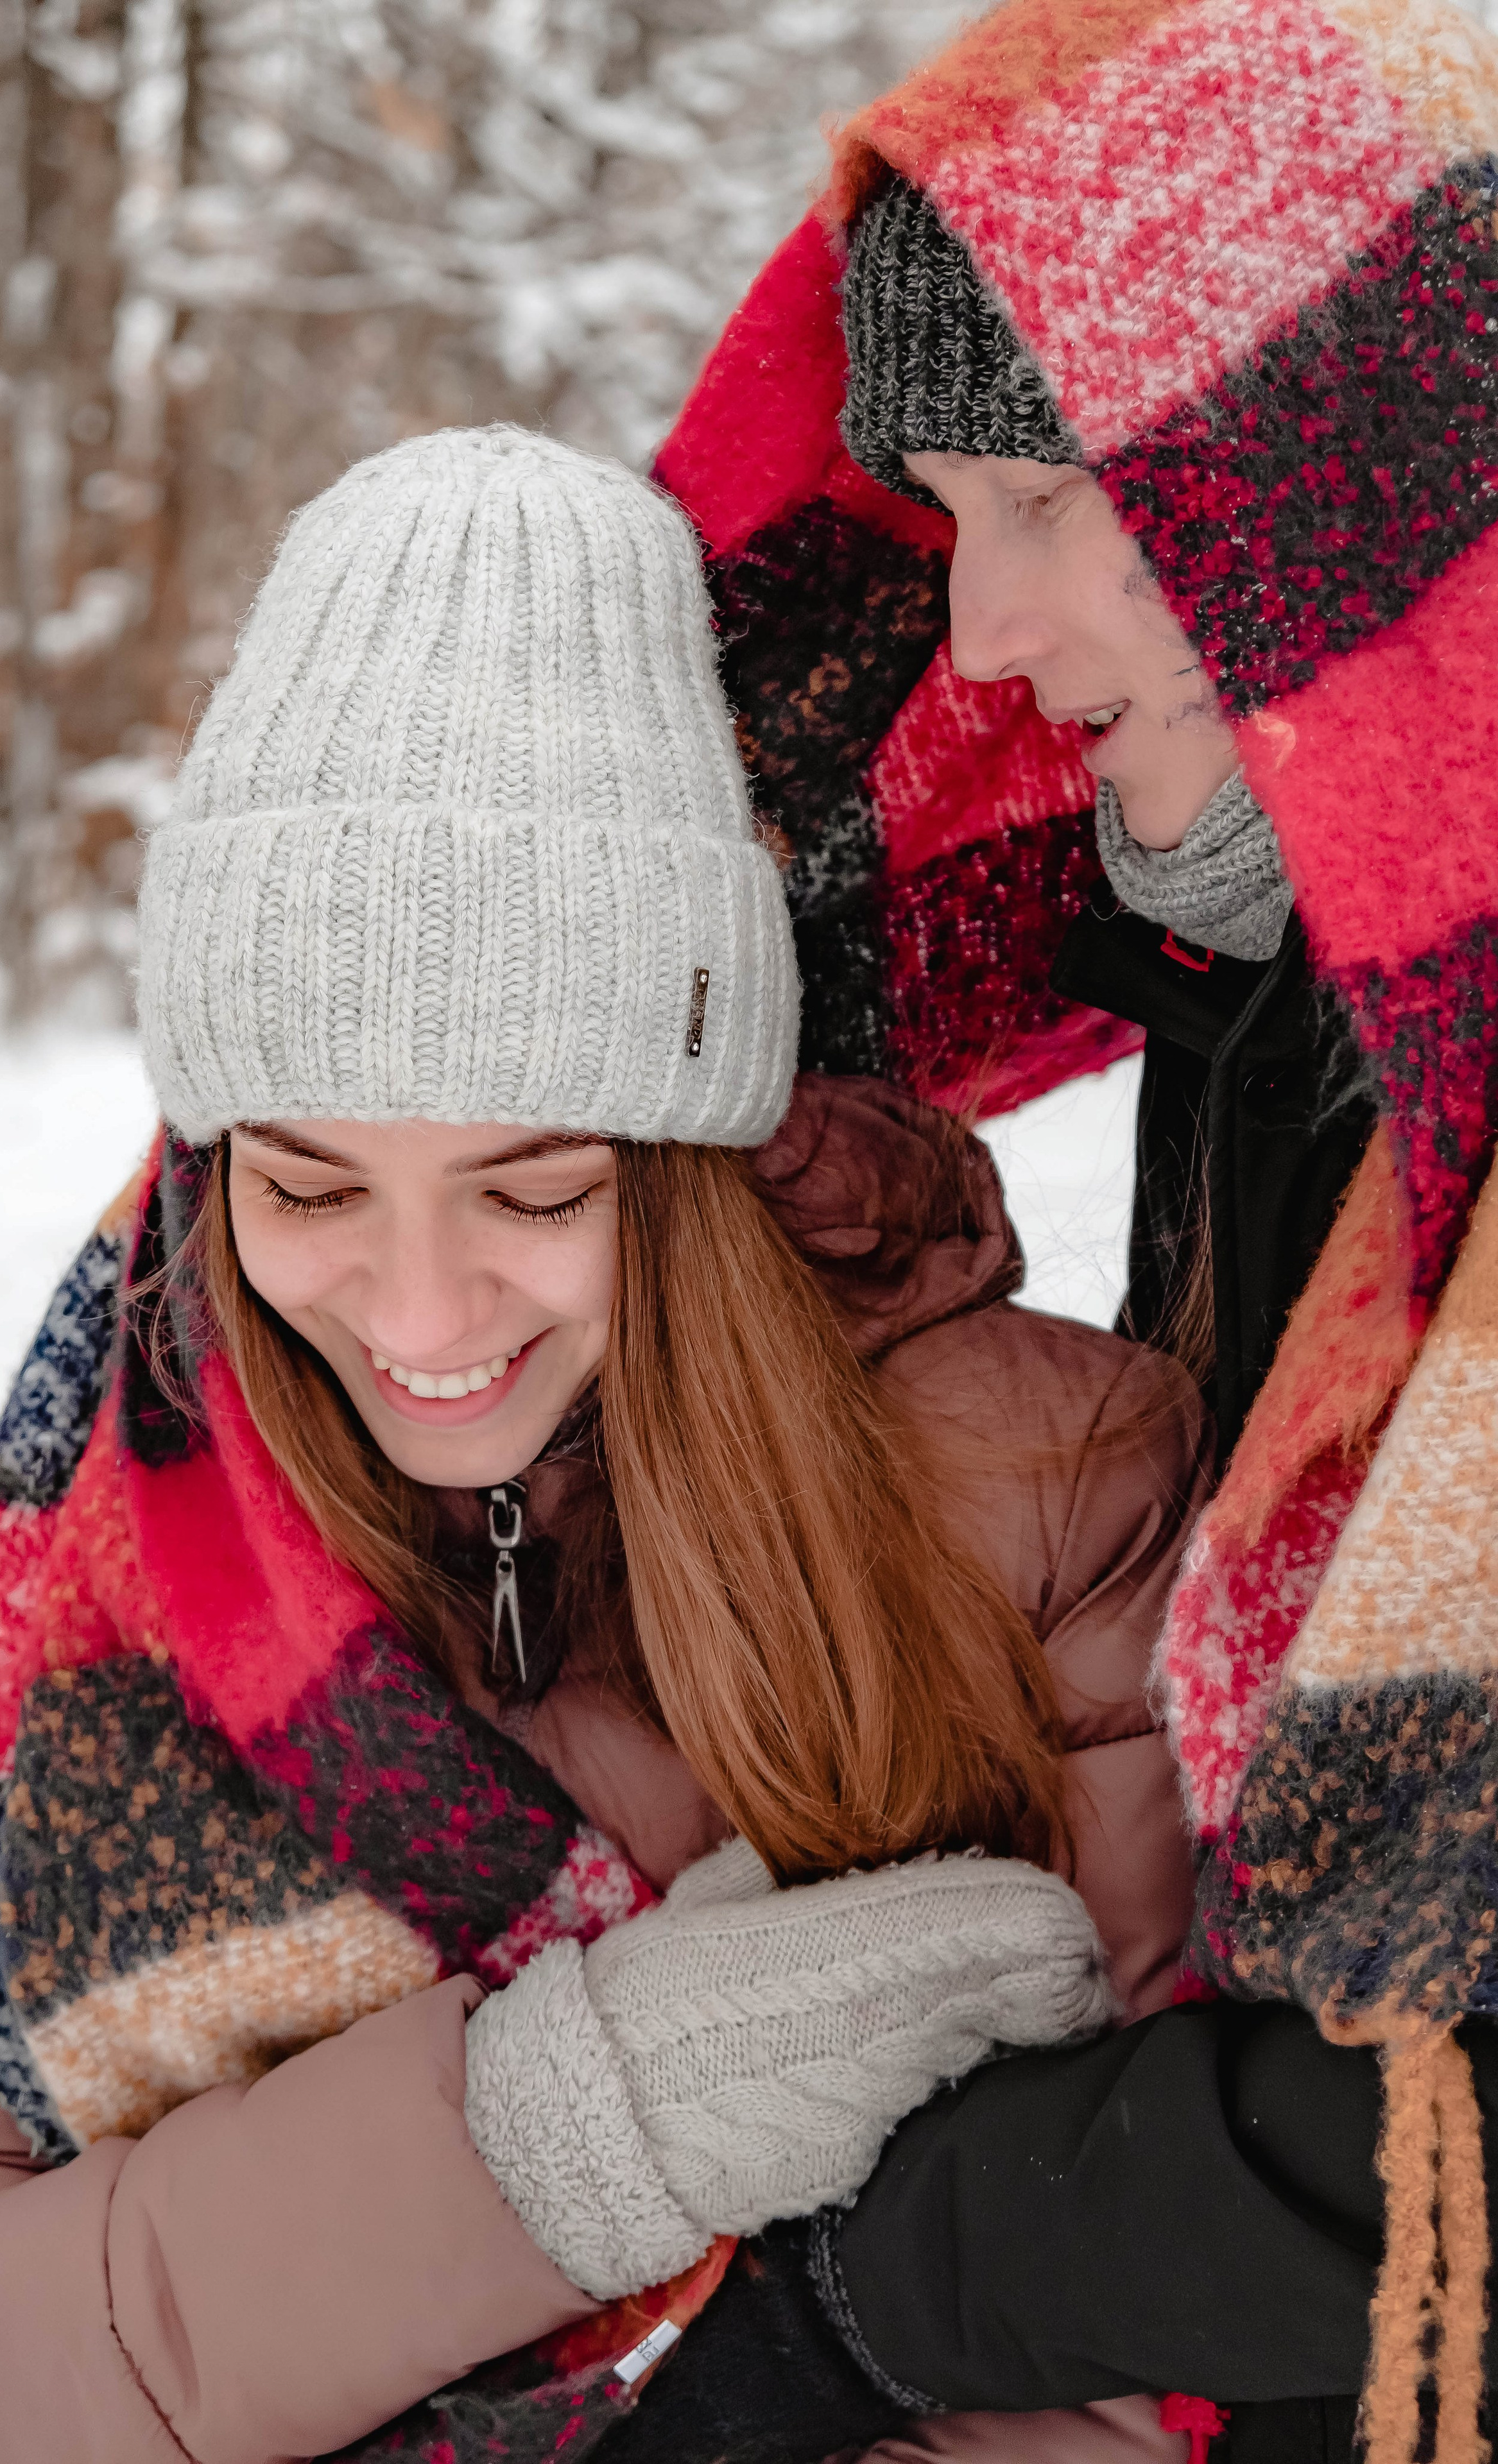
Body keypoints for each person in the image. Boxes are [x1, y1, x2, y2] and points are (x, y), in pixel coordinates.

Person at [0, 427, 1208, 2464]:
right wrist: (546, 2148)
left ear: (684, 1166)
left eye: (532, 1192)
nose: (417, 1318)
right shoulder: (84, 1549)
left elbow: (1139, 2357)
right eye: (314, 1193)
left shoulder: (1044, 1494)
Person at [621, 0, 1498, 2456]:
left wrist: (910, 2265)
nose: (978, 635)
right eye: (941, 509)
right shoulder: (1299, 971)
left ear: (1327, 480)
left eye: (1037, 499)